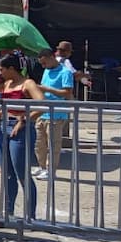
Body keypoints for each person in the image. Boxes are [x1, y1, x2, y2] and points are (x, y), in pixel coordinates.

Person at [0, 55, 45, 220]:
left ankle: (30, 214)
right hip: (3, 128)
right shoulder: (7, 84)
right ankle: (8, 211)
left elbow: (42, 104)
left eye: (1, 69)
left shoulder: (28, 84)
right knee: (7, 172)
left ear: (11, 69)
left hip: (21, 129)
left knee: (21, 172)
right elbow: (8, 109)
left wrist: (24, 120)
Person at [35, 48, 75, 181]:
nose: (43, 66)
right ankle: (42, 167)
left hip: (56, 114)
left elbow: (67, 93)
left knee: (53, 144)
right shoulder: (46, 71)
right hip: (42, 112)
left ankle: (51, 170)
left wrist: (47, 89)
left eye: (45, 63)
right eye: (42, 64)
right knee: (39, 143)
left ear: (52, 57)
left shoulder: (65, 72)